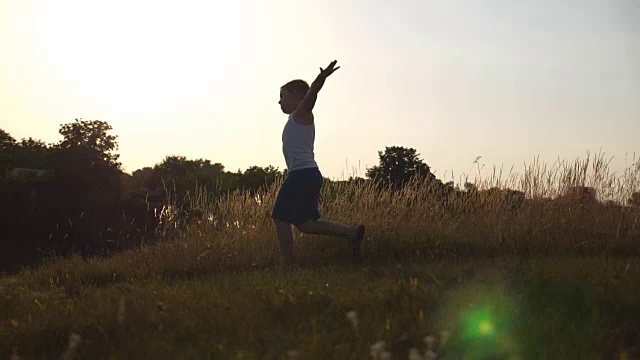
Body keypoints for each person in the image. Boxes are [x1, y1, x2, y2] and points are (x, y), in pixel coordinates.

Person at [272, 60, 365, 263]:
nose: (279, 102)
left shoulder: (301, 113)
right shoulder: (295, 119)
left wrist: (321, 78)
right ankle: (350, 233)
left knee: (280, 217)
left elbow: (312, 95)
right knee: (305, 224)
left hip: (301, 174)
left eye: (282, 96)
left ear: (297, 96)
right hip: (309, 175)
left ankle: (288, 264)